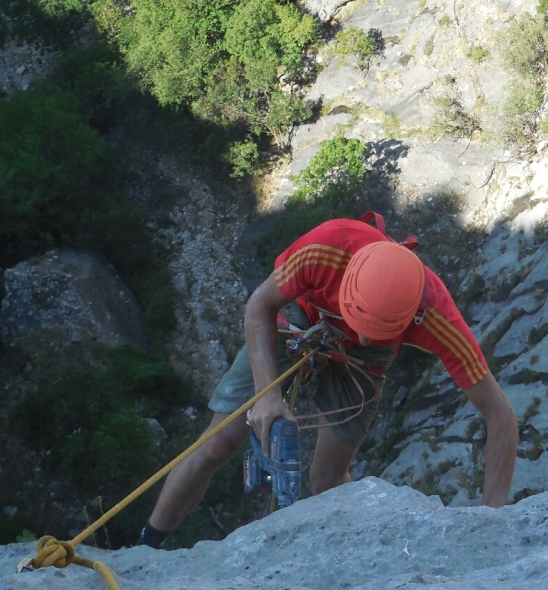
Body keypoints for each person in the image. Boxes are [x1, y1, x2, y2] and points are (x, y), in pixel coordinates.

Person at [137, 215, 518, 548]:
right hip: (304, 319)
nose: (365, 336)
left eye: (379, 330)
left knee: (327, 478)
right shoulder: (327, 248)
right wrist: (268, 395)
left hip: (364, 362)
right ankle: (149, 543)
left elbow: (500, 415)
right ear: (348, 283)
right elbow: (259, 305)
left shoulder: (433, 313)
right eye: (363, 325)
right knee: (217, 443)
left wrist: (491, 520)